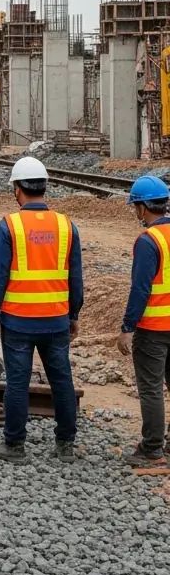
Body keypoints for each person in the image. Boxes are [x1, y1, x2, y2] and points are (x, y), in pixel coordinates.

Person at [0, 157, 82, 464]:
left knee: (17, 382)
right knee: (62, 380)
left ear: (17, 189)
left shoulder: (10, 225)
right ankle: (66, 445)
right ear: (44, 187)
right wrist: (74, 314)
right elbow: (75, 277)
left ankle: (15, 445)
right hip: (56, 319)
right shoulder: (66, 226)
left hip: (18, 321)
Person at [116, 175, 170, 466]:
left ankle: (152, 448)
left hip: (154, 329)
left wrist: (128, 327)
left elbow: (141, 288)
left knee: (151, 389)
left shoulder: (149, 241)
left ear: (142, 207)